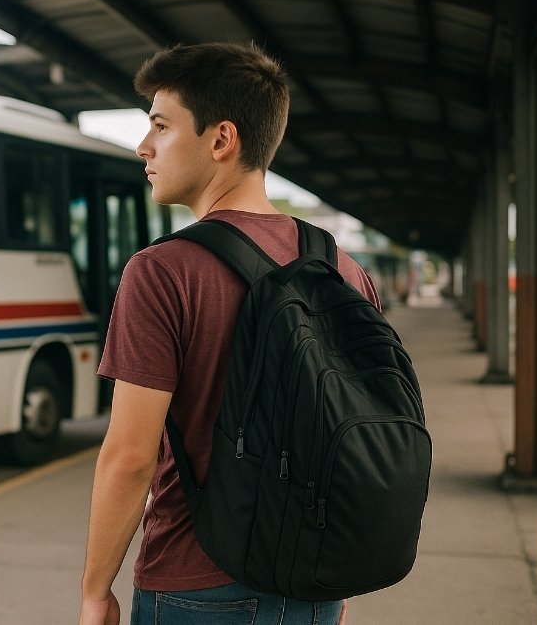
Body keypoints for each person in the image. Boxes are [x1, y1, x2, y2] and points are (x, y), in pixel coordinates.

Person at [78, 42, 380, 625]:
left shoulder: (162, 270)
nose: (145, 147)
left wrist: (96, 591)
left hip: (196, 586)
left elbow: (130, 457)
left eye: (161, 126)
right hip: (316, 582)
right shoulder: (344, 268)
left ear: (221, 140)